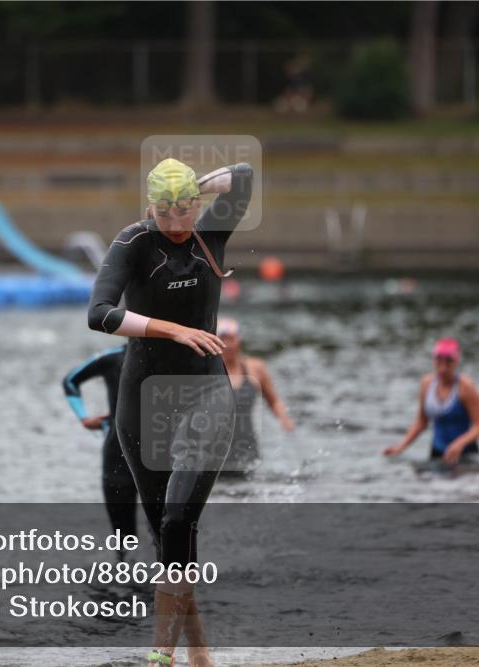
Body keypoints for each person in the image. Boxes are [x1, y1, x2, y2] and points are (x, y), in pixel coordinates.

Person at [87, 156, 253, 667]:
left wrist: (192, 186)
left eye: (187, 211)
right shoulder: (133, 243)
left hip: (205, 391)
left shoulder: (211, 233)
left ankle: (161, 654)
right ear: (150, 208)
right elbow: (99, 314)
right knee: (167, 537)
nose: (179, 224)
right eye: (167, 213)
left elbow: (244, 176)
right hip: (142, 400)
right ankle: (200, 656)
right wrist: (171, 328)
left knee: (180, 517)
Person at [61, 345, 137, 556]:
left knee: (166, 534)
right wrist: (84, 418)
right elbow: (70, 380)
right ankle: (126, 578)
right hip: (117, 456)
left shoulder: (173, 357)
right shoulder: (112, 358)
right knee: (124, 542)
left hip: (159, 459)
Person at [383, 338, 479, 466]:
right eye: (439, 361)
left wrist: (459, 444)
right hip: (437, 452)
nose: (443, 368)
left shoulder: (466, 387)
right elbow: (421, 422)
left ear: (456, 362)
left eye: (449, 362)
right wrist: (400, 447)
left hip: (465, 454)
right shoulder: (426, 384)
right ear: (434, 360)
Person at [216, 317, 294, 475]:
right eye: (223, 340)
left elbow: (273, 400)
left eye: (231, 339)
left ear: (239, 340)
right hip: (214, 449)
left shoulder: (255, 368)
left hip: (247, 446)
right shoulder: (206, 371)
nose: (228, 345)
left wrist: (284, 419)